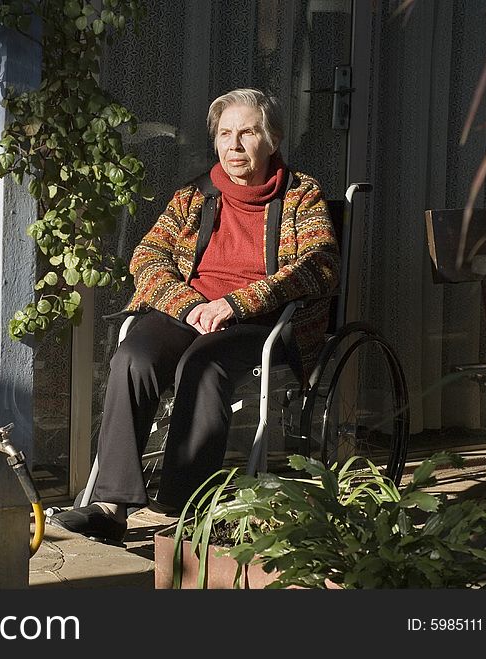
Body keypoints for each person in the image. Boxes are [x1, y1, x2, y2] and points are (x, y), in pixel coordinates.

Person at [48, 88, 340, 543]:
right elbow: (148, 256)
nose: (234, 145)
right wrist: (189, 305)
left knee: (204, 368)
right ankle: (111, 503)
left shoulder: (302, 196)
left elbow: (319, 266)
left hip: (258, 321)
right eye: (225, 134)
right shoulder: (194, 195)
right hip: (190, 308)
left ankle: (187, 506)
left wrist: (236, 304)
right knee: (133, 358)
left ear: (273, 139)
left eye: (247, 133)